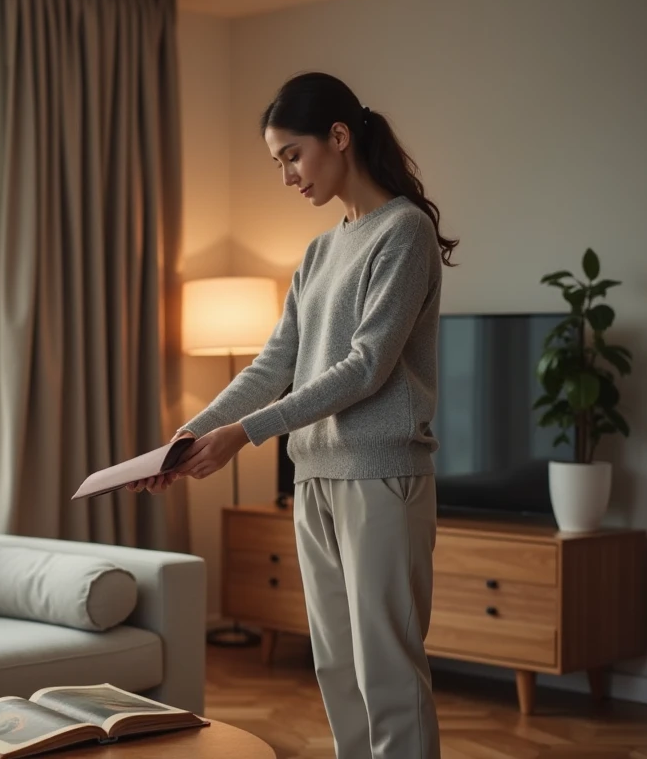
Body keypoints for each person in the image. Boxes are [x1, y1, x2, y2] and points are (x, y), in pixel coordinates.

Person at [128, 71, 458, 758]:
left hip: (381, 479)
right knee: (337, 668)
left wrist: (243, 434)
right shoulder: (319, 251)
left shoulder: (404, 233)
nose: (286, 176)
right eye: (277, 162)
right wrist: (190, 438)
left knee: (387, 673)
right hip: (314, 479)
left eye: (291, 156)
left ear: (339, 137)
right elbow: (274, 365)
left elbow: (366, 367)